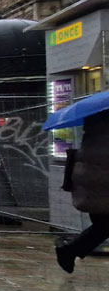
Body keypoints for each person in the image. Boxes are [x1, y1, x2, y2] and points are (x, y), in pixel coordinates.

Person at [55, 109, 109, 273]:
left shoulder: (93, 134)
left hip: (94, 189)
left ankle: (70, 251)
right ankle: (69, 251)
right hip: (102, 189)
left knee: (103, 226)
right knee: (104, 226)